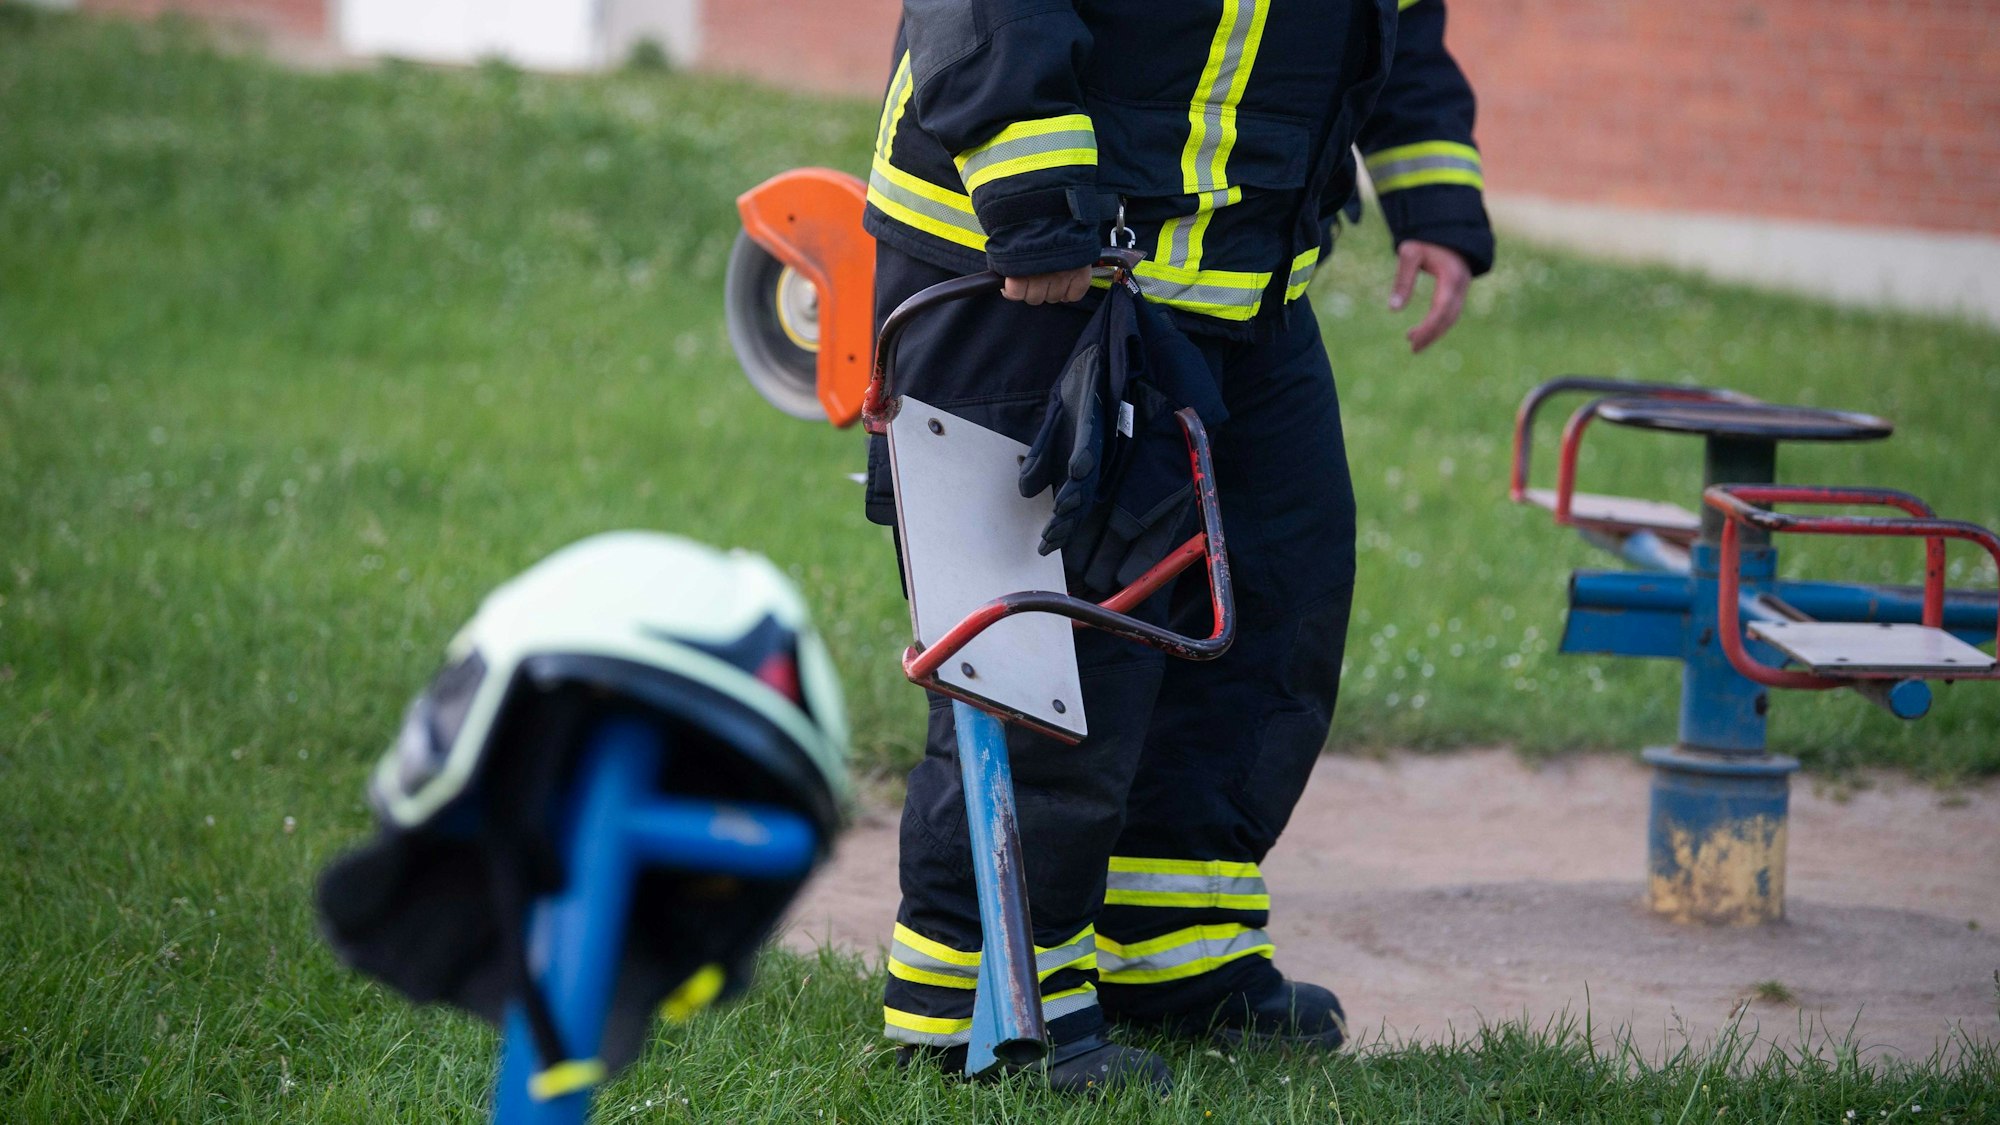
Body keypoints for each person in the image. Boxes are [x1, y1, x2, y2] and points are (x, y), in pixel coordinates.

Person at [858, 0, 1494, 1093]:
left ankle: (1170, 952)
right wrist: (1033, 194)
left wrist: (1428, 185)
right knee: (1048, 651)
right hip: (1025, 267)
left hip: (1241, 292)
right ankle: (982, 1008)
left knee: (1264, 621)